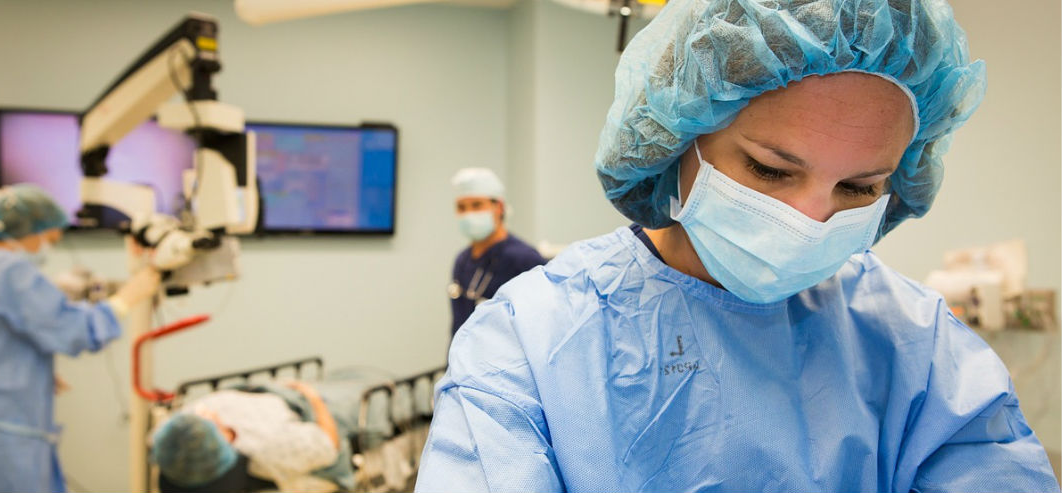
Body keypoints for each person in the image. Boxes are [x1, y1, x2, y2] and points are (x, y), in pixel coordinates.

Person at [415, 1, 1060, 492]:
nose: (809, 219)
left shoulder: (920, 350)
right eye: (770, 171)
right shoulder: (529, 341)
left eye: (860, 187)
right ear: (675, 140)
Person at [0, 184, 161, 493]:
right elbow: (73, 330)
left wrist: (28, 364)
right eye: (49, 240)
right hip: (2, 437)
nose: (47, 249)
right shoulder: (10, 272)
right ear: (30, 232)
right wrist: (126, 299)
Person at [150, 381, 354, 493]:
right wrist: (313, 397)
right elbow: (329, 445)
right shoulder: (267, 450)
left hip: (286, 402)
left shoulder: (190, 414)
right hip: (296, 402)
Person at [448, 168, 546, 337]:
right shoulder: (462, 260)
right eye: (461, 207)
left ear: (499, 207)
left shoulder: (524, 259)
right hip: (465, 358)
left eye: (477, 205)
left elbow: (544, 324)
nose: (468, 213)